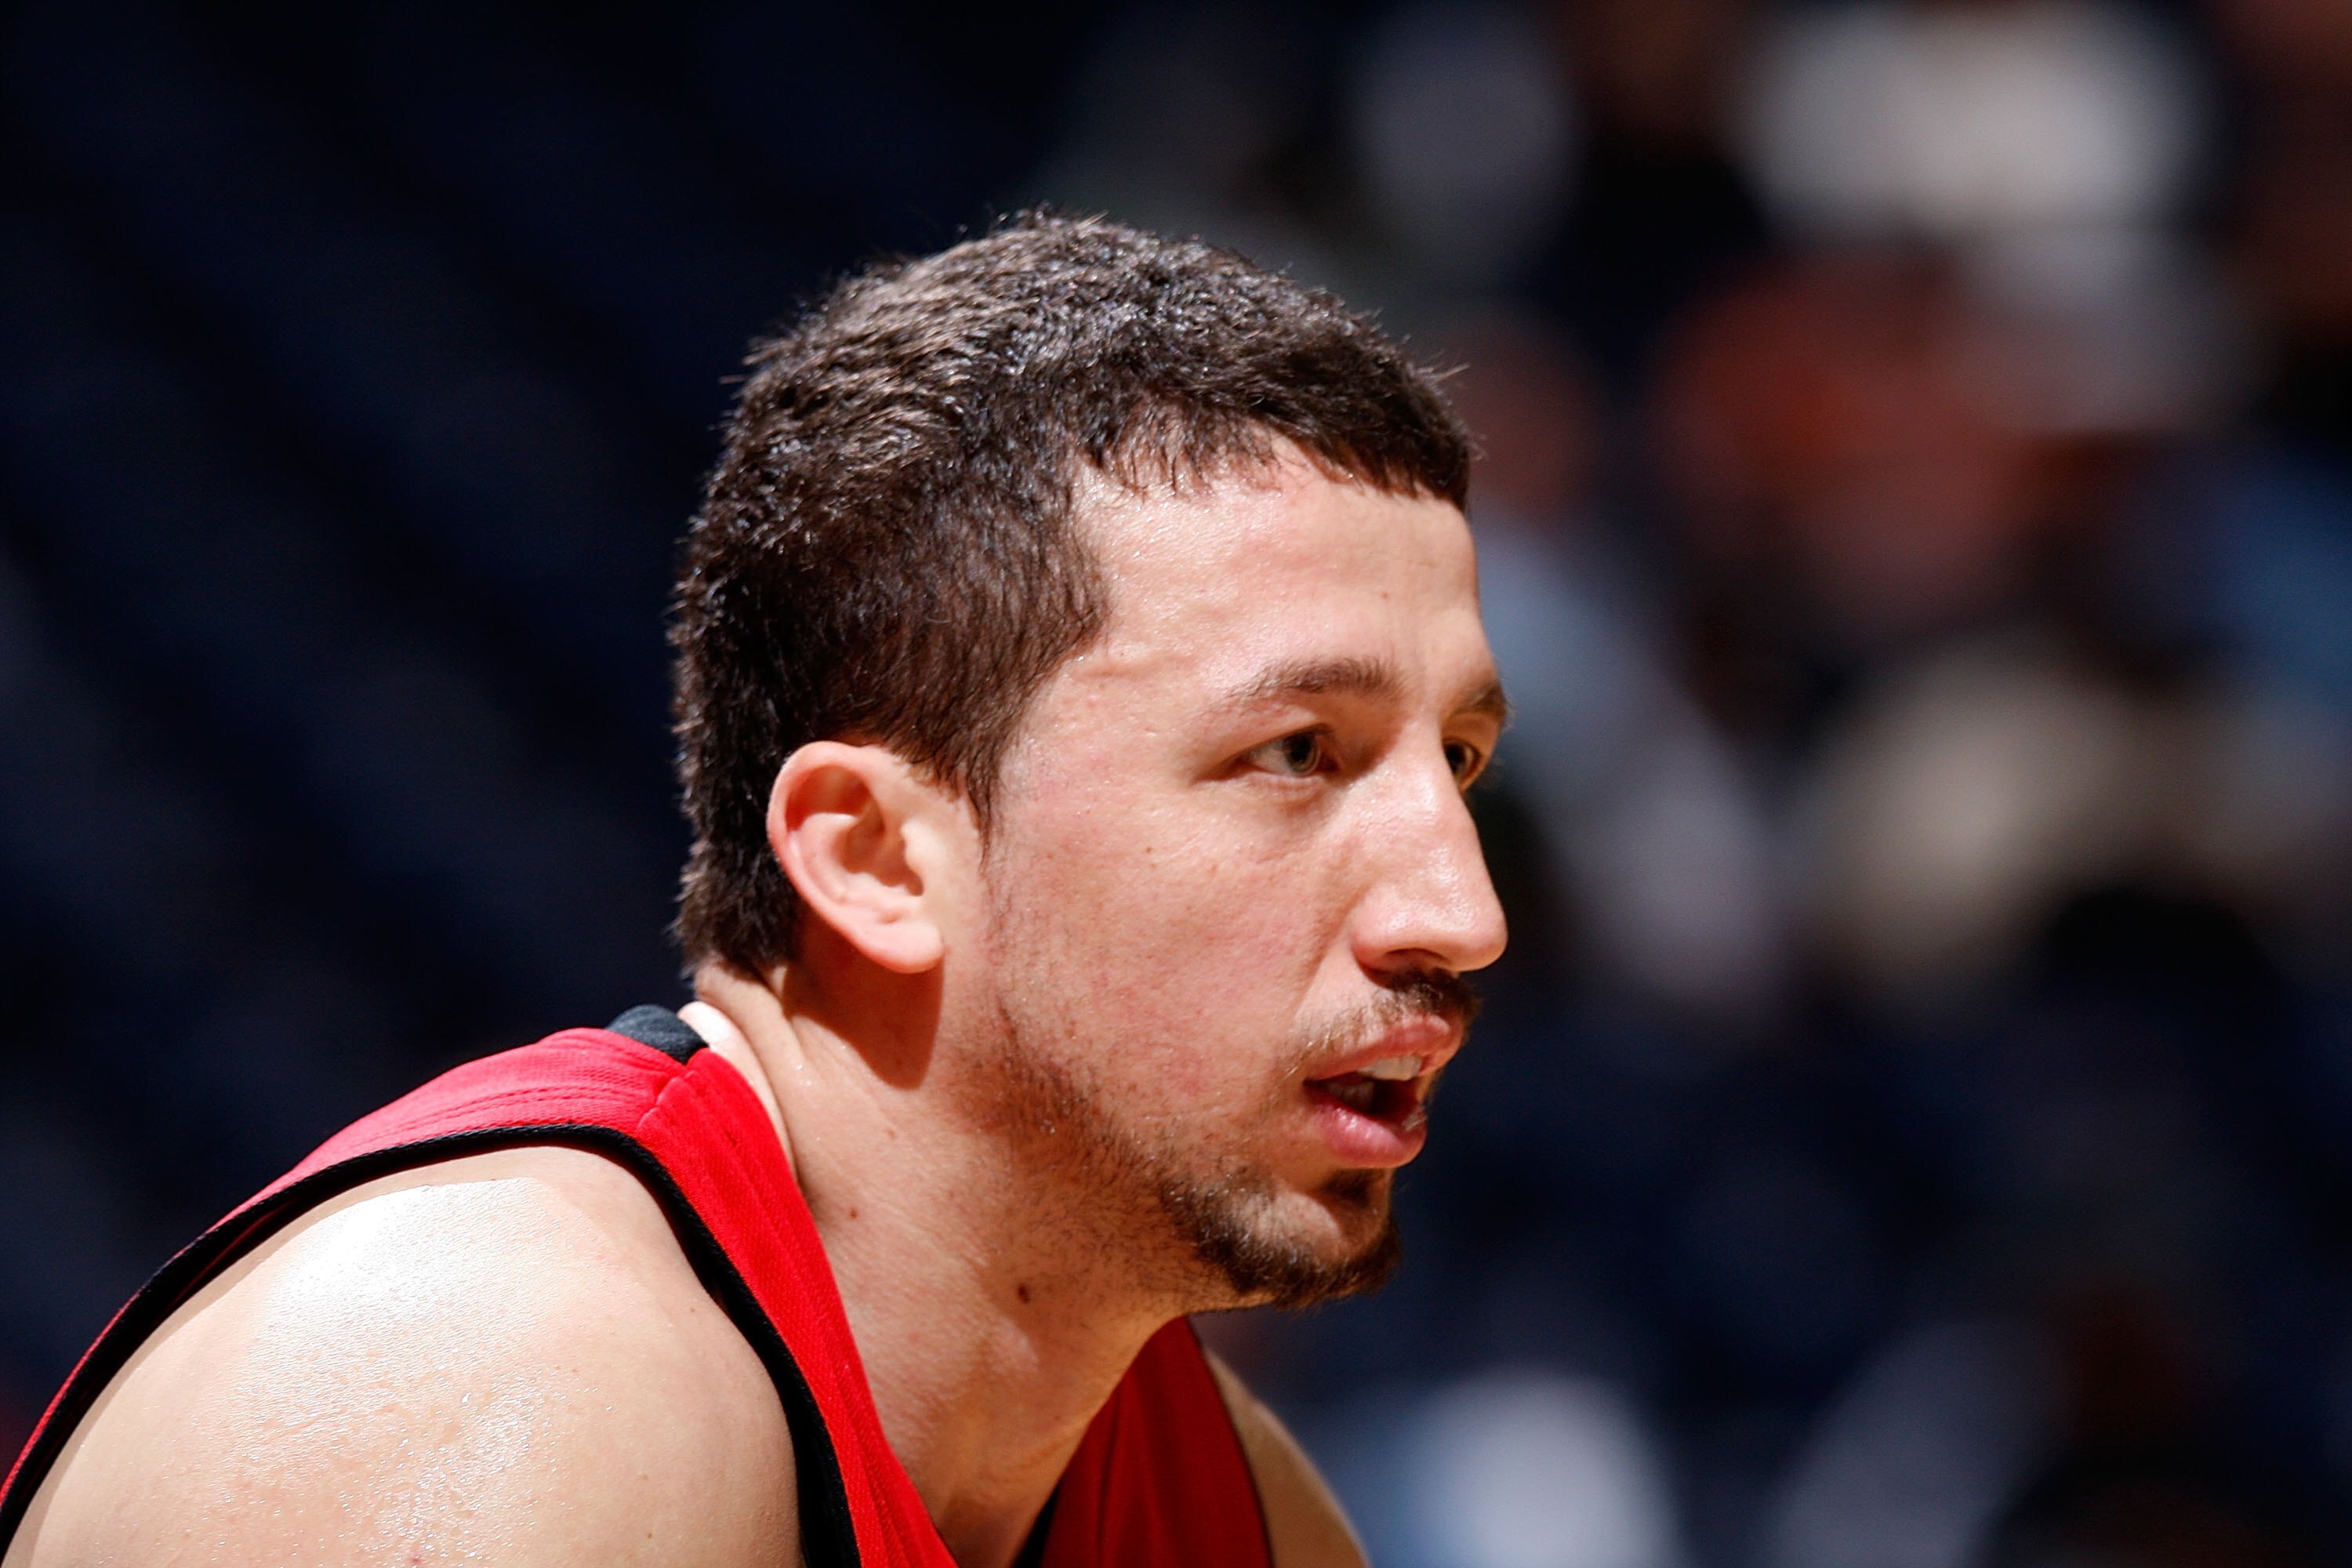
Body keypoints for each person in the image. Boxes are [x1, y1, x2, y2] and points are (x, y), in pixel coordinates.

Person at [0, 214, 1508, 1568]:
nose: (1463, 912)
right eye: (1297, 752)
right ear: (872, 857)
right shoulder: (497, 1402)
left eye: (1459, 760)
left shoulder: (1239, 1510)